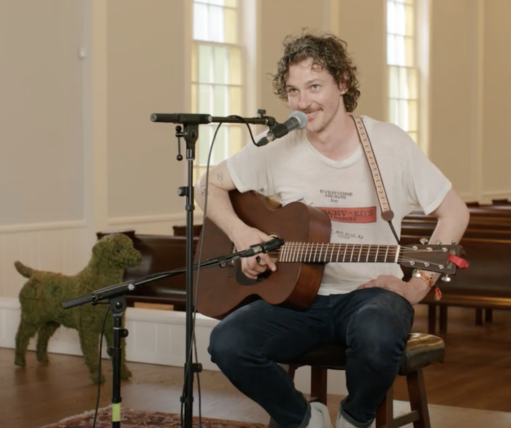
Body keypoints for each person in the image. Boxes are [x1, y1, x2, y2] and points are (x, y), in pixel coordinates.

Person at [193, 33, 470, 428]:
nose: (303, 103)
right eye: (293, 90)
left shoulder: (387, 144)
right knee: (227, 343)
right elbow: (207, 185)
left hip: (371, 294)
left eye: (314, 87)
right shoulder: (278, 147)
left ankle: (355, 419)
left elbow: (455, 213)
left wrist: (416, 286)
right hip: (297, 299)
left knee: (377, 334)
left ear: (342, 84)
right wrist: (241, 235)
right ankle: (305, 419)